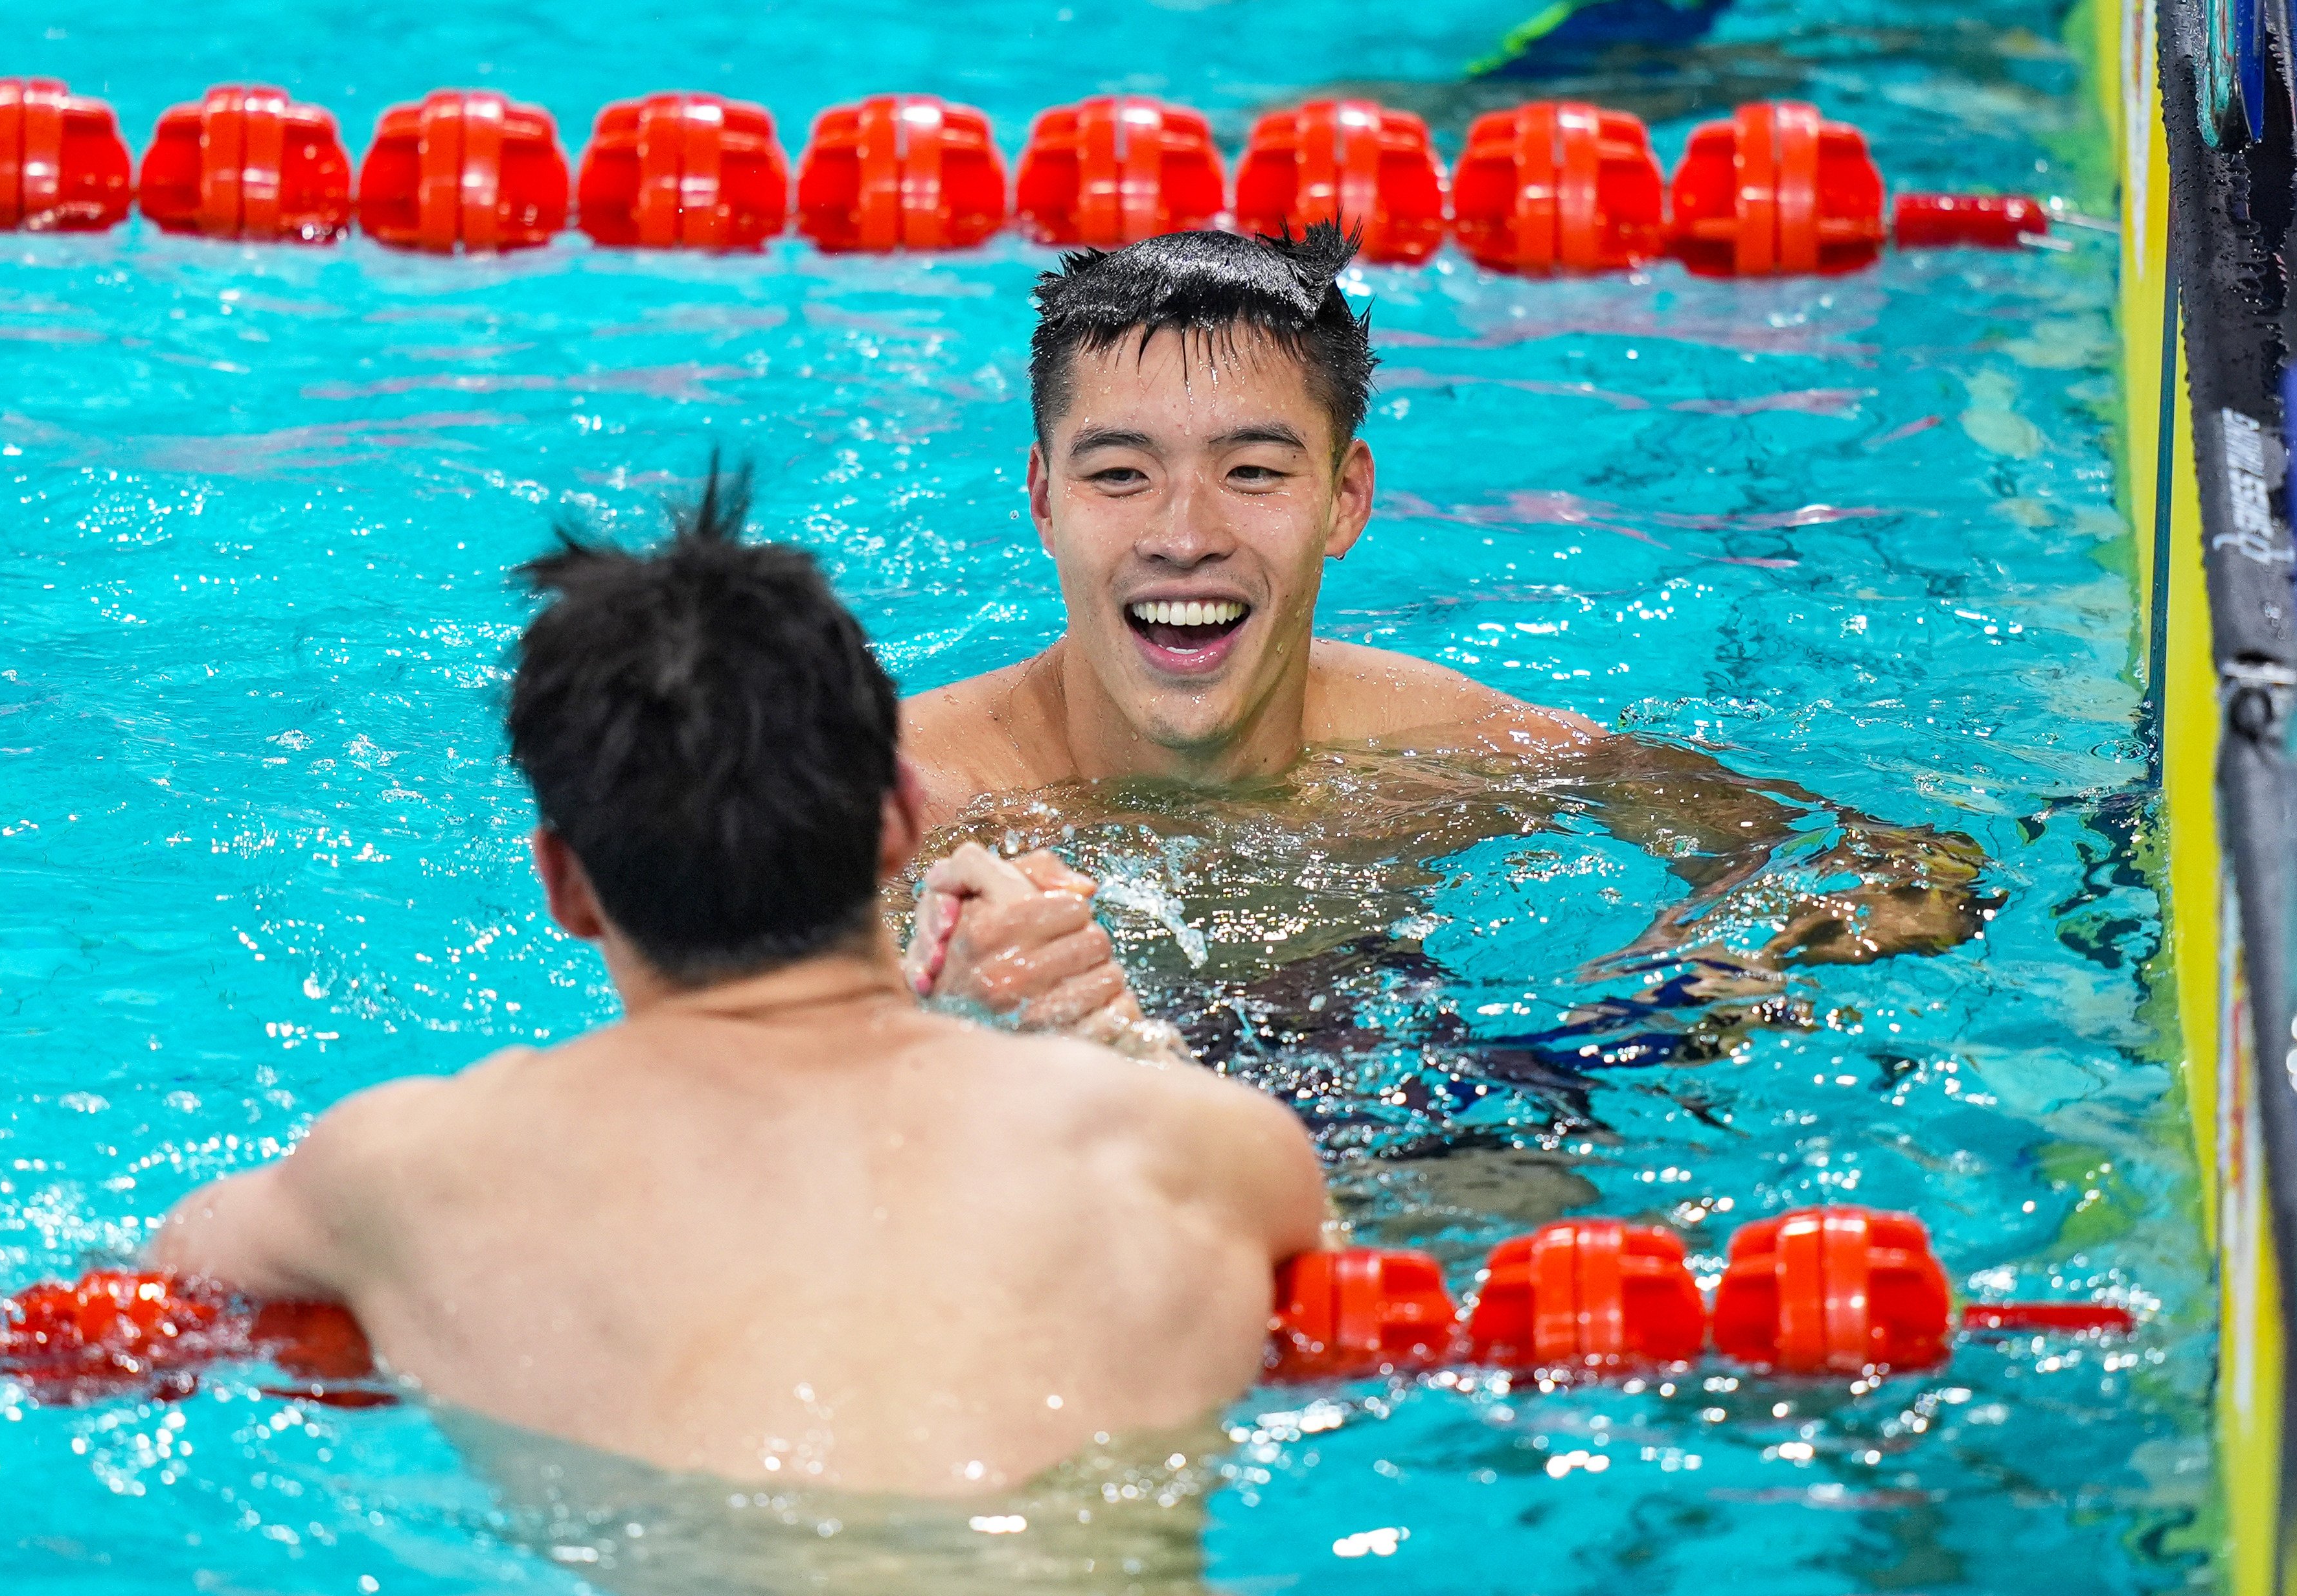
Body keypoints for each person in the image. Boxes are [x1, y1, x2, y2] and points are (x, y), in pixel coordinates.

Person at [148, 471, 1325, 1496]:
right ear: (903, 819)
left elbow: (163, 1280)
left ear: (563, 885)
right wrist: (1098, 1037)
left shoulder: (400, 1173)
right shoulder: (1197, 1147)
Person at [900, 223, 1994, 1071]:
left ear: (1345, 499)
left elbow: (1913, 872)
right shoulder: (907, 799)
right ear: (1045, 502)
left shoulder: (1447, 748)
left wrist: (1647, 1008)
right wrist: (931, 1016)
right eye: (1120, 475)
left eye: (1255, 472)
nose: (1185, 537)